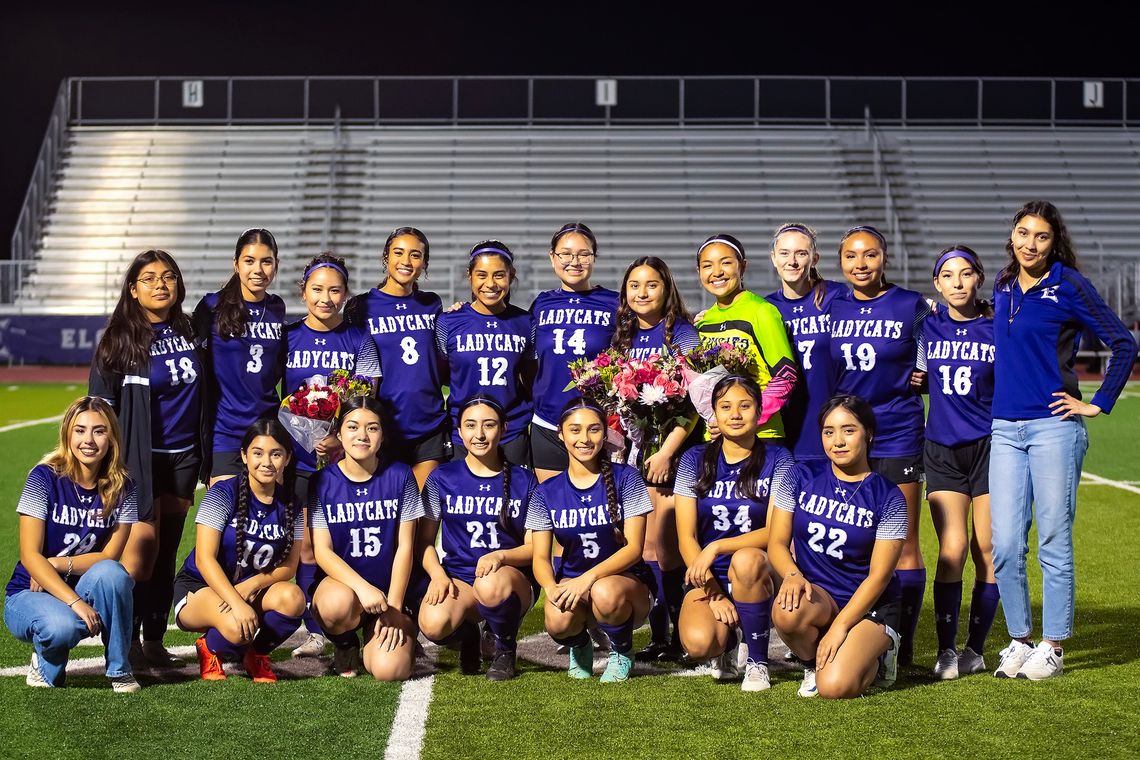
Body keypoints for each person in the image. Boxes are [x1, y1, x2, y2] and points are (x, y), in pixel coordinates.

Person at [988, 200, 1136, 680]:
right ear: (1012, 235)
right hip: (1005, 429)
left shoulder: (1069, 284)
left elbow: (1124, 341)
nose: (1030, 244)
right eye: (1023, 233)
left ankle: (1052, 644)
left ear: (1055, 242)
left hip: (1055, 428)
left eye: (1042, 237)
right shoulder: (1004, 285)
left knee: (1052, 537)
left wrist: (1097, 402)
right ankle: (1018, 639)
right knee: (1005, 543)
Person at [89, 249, 202, 667]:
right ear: (133, 290)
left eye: (169, 276)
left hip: (183, 457)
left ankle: (154, 639)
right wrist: (106, 467)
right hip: (138, 461)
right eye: (150, 278)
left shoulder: (189, 331)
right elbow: (101, 410)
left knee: (168, 548)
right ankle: (125, 643)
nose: (161, 284)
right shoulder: (118, 340)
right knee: (139, 555)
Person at [829, 225, 929, 665]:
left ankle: (900, 645)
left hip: (897, 429)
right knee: (852, 533)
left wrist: (922, 370)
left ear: (884, 258)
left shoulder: (910, 304)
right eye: (851, 256)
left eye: (869, 255)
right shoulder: (831, 304)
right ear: (840, 262)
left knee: (903, 541)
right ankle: (856, 624)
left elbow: (934, 344)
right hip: (847, 434)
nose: (861, 264)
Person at [770, 395, 907, 699]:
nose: (838, 441)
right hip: (819, 596)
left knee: (836, 687)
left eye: (849, 430)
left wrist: (841, 627)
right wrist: (792, 576)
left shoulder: (889, 496)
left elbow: (879, 577)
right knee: (787, 611)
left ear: (868, 433)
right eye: (829, 432)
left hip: (869, 605)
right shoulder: (800, 475)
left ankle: (881, 655)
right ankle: (811, 664)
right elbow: (776, 544)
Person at [4, 397, 140, 692]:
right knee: (62, 627)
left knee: (114, 573)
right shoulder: (43, 477)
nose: (88, 440)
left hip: (82, 585)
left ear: (111, 437)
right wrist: (76, 604)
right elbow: (29, 555)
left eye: (99, 431)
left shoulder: (124, 486)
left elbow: (109, 556)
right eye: (80, 430)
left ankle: (119, 669)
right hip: (30, 590)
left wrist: (56, 562)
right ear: (67, 434)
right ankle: (45, 660)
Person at [283, 252, 381, 659]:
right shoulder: (287, 336)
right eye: (317, 289)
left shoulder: (359, 338)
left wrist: (339, 439)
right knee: (305, 546)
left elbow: (366, 394)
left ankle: (355, 616)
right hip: (299, 456)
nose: (326, 298)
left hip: (346, 460)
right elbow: (273, 394)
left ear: (345, 294)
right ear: (303, 291)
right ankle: (315, 628)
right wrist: (304, 433)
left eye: (335, 290)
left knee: (340, 541)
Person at [674, 375, 794, 691]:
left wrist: (717, 547)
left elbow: (775, 532)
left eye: (745, 406)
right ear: (714, 413)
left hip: (759, 571)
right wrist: (713, 593)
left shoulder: (779, 458)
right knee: (700, 644)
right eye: (725, 407)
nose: (735, 414)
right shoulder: (693, 459)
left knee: (745, 559)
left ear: (760, 412)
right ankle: (727, 643)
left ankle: (757, 662)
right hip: (709, 576)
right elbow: (686, 537)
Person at [526, 398, 655, 683]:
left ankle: (622, 650)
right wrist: (550, 587)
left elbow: (634, 548)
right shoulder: (545, 491)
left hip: (626, 586)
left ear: (605, 434)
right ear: (560, 434)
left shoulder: (627, 479)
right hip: (575, 585)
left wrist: (588, 579)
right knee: (558, 619)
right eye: (575, 430)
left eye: (593, 430)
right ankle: (579, 644)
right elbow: (539, 557)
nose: (584, 439)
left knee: (604, 591)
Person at [610, 255, 699, 662]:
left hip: (671, 455)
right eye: (634, 285)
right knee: (644, 546)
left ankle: (681, 634)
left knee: (667, 546)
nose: (642, 292)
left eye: (651, 284)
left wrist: (665, 451)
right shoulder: (623, 337)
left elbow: (695, 401)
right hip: (635, 454)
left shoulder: (682, 333)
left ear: (666, 289)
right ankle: (660, 636)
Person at [172, 419, 305, 683]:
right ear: (244, 455)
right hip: (201, 586)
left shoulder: (291, 504)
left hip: (248, 587)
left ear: (287, 459)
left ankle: (255, 654)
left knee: (293, 599)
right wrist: (235, 601)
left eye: (276, 454)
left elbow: (289, 567)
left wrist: (251, 585)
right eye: (257, 453)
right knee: (237, 628)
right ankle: (209, 647)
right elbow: (204, 558)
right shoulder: (222, 493)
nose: (266, 462)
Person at [418, 396, 539, 680]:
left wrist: (501, 556)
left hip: (511, 581)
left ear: (504, 428)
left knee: (490, 583)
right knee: (433, 624)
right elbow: (423, 542)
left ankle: (505, 650)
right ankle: (470, 634)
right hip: (460, 578)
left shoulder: (525, 480)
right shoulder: (441, 478)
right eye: (470, 426)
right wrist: (437, 575)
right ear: (459, 432)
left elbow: (536, 548)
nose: (480, 434)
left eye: (489, 425)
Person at [923, 246, 999, 679]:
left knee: (987, 549)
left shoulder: (996, 329)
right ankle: (947, 650)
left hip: (990, 447)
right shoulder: (926, 326)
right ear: (937, 284)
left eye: (966, 273)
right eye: (947, 275)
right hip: (943, 448)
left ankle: (975, 648)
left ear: (978, 279)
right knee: (952, 551)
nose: (957, 282)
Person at [309, 397, 422, 681]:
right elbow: (322, 552)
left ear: (383, 435)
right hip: (346, 591)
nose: (362, 435)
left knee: (390, 670)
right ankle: (346, 642)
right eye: (353, 427)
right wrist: (362, 589)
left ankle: (399, 627)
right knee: (336, 607)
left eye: (372, 428)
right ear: (338, 433)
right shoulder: (321, 481)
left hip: (389, 594)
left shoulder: (401, 475)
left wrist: (394, 606)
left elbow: (406, 546)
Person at [345, 227, 447, 489]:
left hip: (428, 423)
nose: (406, 261)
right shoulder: (361, 305)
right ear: (385, 257)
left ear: (424, 263)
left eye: (415, 255)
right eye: (398, 253)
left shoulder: (432, 303)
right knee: (389, 517)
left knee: (422, 518)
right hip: (383, 426)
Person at [193, 228, 287, 485]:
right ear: (236, 264)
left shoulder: (277, 308)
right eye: (249, 261)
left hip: (267, 430)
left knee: (267, 517)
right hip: (226, 431)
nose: (258, 269)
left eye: (266, 261)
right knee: (225, 515)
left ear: (276, 265)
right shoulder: (212, 306)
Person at [529, 222, 619, 481]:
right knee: (551, 509)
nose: (574, 261)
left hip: (596, 425)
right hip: (547, 421)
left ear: (594, 257)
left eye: (583, 254)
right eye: (566, 254)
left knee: (600, 511)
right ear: (552, 257)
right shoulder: (541, 303)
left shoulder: (615, 302)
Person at [435, 242, 534, 466]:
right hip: (463, 431)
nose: (490, 284)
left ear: (511, 276)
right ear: (469, 276)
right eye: (481, 275)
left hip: (511, 431)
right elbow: (441, 376)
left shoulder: (526, 322)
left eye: (499, 275)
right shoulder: (448, 322)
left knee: (514, 499)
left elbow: (530, 379)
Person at [695, 234, 799, 440]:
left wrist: (751, 418)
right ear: (699, 272)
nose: (717, 272)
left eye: (726, 263)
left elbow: (786, 375)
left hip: (761, 436)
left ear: (742, 266)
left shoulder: (762, 311)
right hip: (716, 437)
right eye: (707, 266)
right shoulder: (704, 321)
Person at [765, 223, 845, 461]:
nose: (793, 261)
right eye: (785, 253)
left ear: (814, 258)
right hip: (786, 429)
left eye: (801, 253)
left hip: (832, 427)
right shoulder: (765, 308)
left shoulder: (837, 296)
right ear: (774, 258)